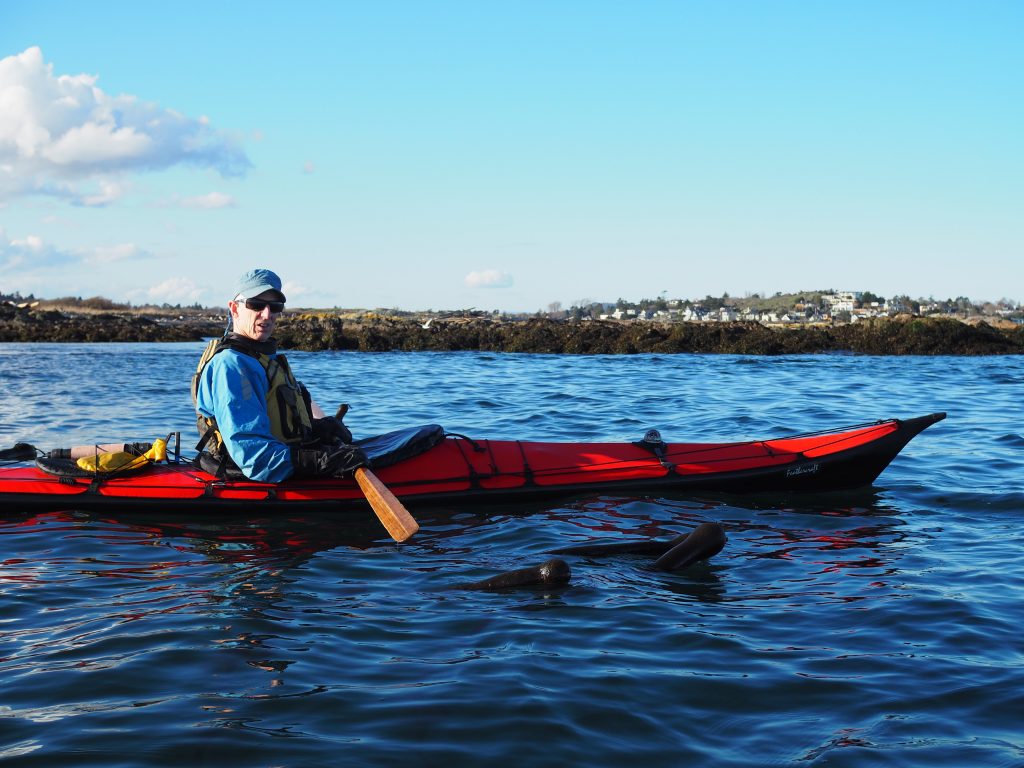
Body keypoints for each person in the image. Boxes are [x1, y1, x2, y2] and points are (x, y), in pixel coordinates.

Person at [192, 268, 365, 482]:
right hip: (259, 472)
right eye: (256, 304)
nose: (267, 314)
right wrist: (319, 461)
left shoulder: (261, 357)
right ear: (234, 309)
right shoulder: (233, 366)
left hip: (281, 459)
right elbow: (255, 456)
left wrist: (319, 429)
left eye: (275, 307)